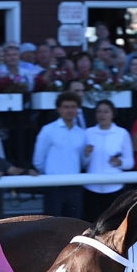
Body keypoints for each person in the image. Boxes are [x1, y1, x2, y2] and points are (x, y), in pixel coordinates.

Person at [33, 91, 87, 219]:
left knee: (73, 225)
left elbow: (83, 162)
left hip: (75, 187)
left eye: (73, 107)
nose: (70, 110)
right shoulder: (48, 130)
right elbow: (38, 160)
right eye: (66, 107)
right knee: (52, 226)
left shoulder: (82, 133)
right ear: (59, 109)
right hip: (53, 186)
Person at [80, 98, 134, 222]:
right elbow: (83, 163)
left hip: (114, 188)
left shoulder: (122, 133)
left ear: (112, 114)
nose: (102, 115)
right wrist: (86, 154)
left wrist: (119, 162)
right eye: (99, 111)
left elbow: (130, 163)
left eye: (106, 111)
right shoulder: (88, 133)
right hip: (91, 188)